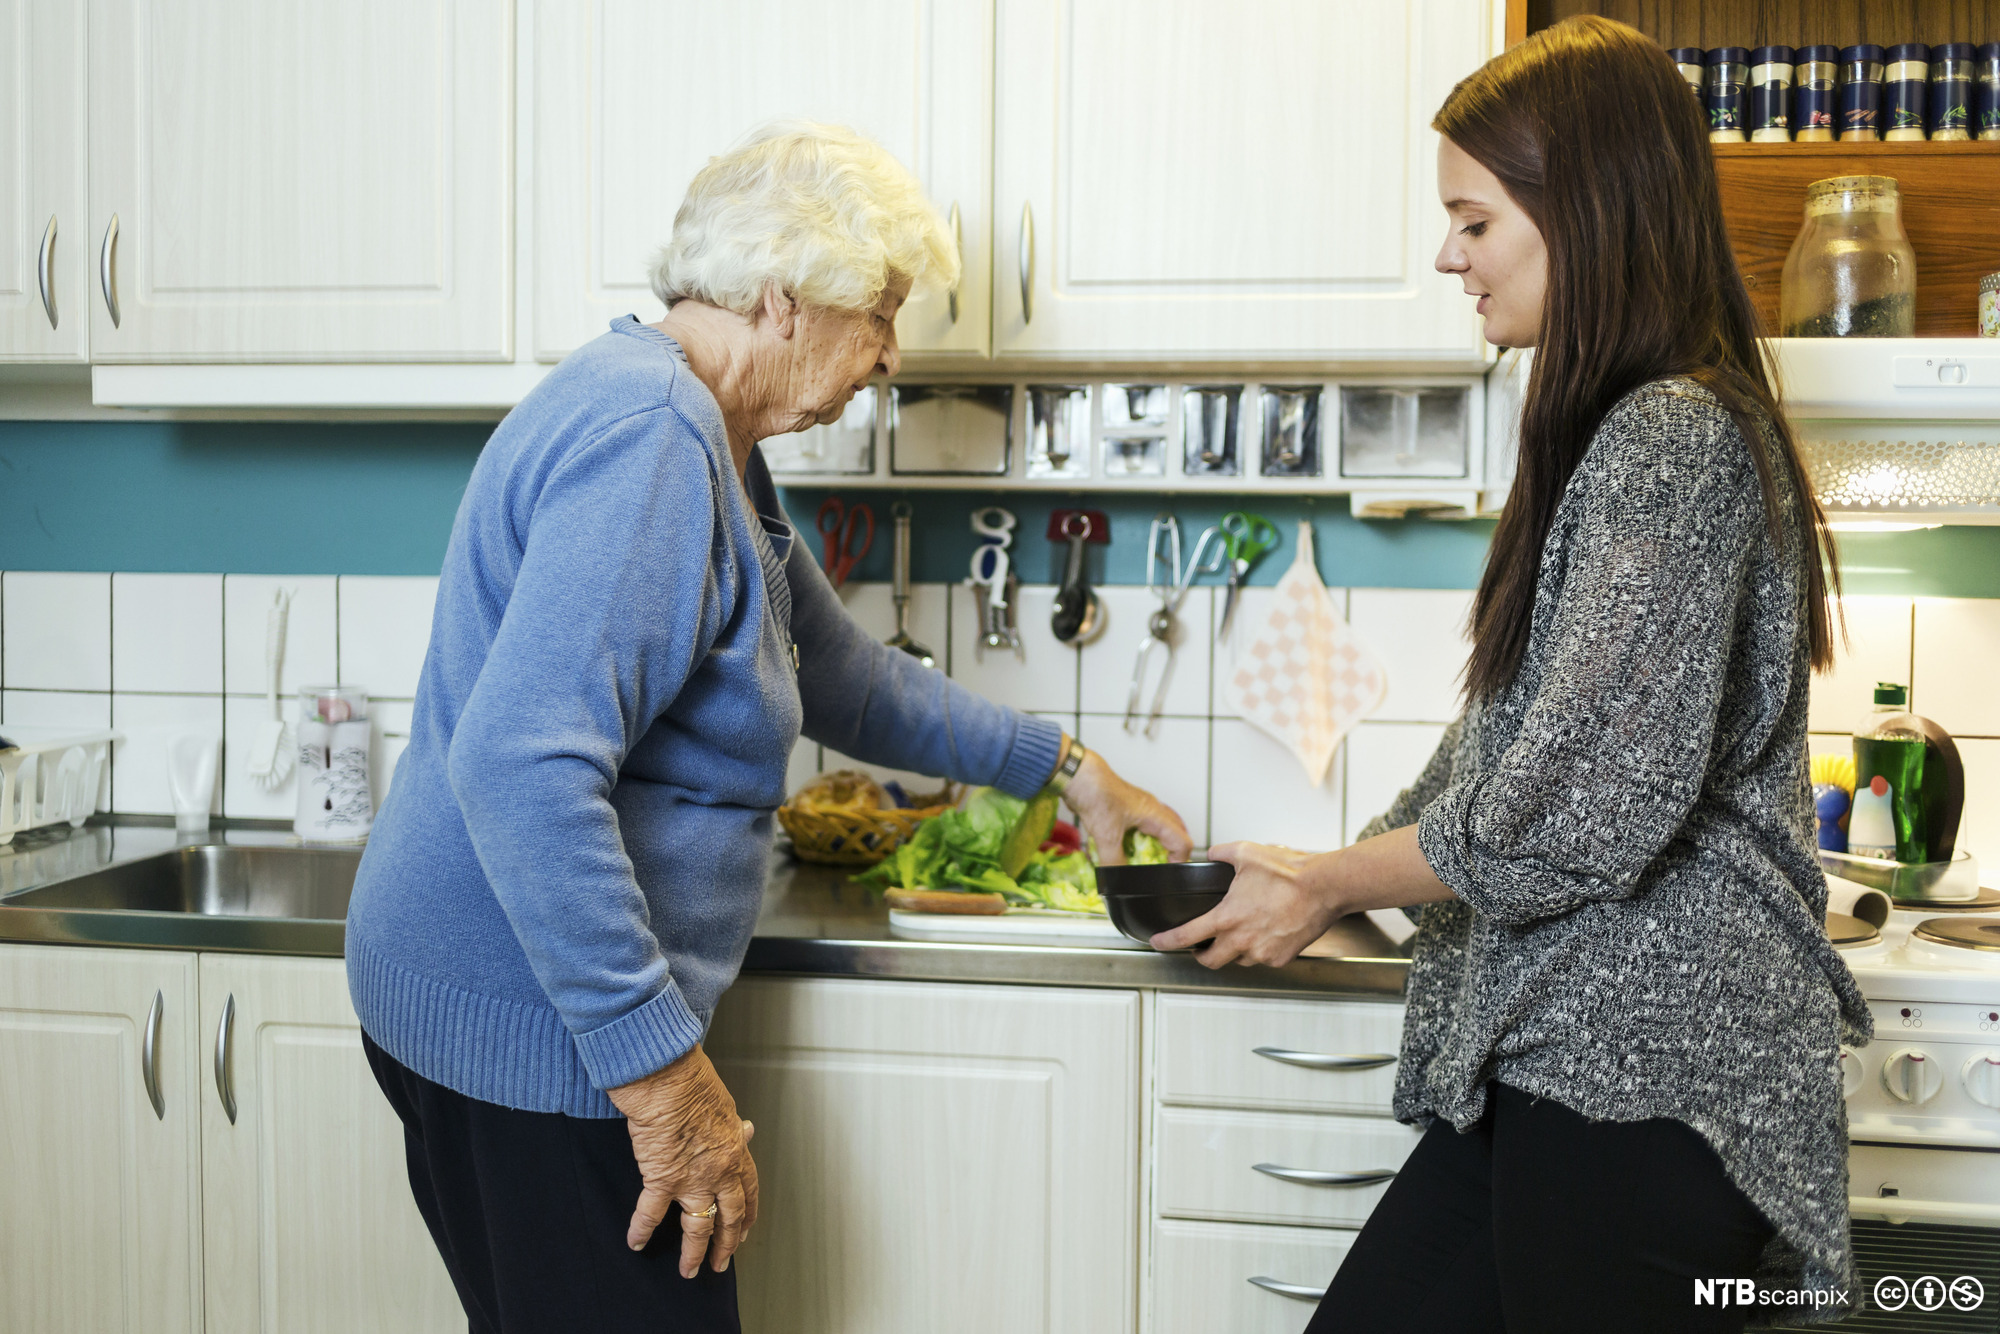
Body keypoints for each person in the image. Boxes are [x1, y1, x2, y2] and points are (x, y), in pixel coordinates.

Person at [344, 121, 1189, 1334]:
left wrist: (1068, 769)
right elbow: (522, 767)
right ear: (787, 298)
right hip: (535, 1024)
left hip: (502, 997)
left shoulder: (704, 433)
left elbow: (840, 678)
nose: (889, 355)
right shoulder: (652, 439)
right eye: (881, 313)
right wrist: (662, 1076)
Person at [1152, 18, 1871, 1332]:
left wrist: (1331, 879)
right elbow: (1510, 740)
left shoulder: (1669, 438)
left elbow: (1581, 802)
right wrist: (1328, 876)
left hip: (1654, 1065)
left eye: (1474, 220)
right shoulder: (1620, 427)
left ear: (1580, 213)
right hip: (1577, 1052)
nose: (1447, 254)